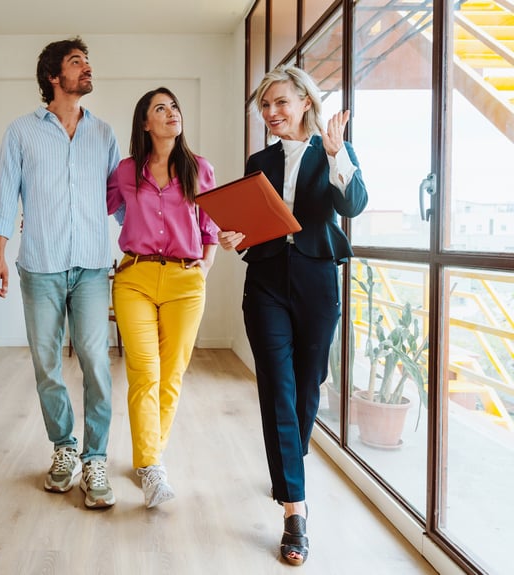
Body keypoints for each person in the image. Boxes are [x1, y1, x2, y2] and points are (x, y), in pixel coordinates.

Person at [217, 65, 368, 565]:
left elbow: (355, 205)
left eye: (280, 102)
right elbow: (253, 221)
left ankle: (289, 464)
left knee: (308, 386)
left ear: (305, 101)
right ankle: (294, 510)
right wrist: (235, 235)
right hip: (264, 283)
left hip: (317, 281)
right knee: (277, 388)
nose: (271, 113)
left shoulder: (332, 151)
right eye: (265, 106)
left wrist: (336, 154)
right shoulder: (260, 158)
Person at [0, 37, 120, 509]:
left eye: (87, 61)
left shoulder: (103, 134)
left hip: (91, 266)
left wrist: (154, 242)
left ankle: (96, 456)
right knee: (46, 364)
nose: (86, 69)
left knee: (95, 362)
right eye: (76, 62)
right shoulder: (21, 132)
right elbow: (5, 199)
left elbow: (118, 201)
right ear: (52, 76)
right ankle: (64, 448)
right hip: (38, 266)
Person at [107, 87, 219, 508]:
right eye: (160, 108)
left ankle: (148, 459)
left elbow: (210, 225)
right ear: (145, 123)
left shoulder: (198, 168)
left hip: (185, 282)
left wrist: (205, 267)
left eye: (174, 107)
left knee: (171, 375)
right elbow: (95, 205)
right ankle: (152, 467)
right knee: (144, 370)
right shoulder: (125, 171)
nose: (171, 113)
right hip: (134, 276)